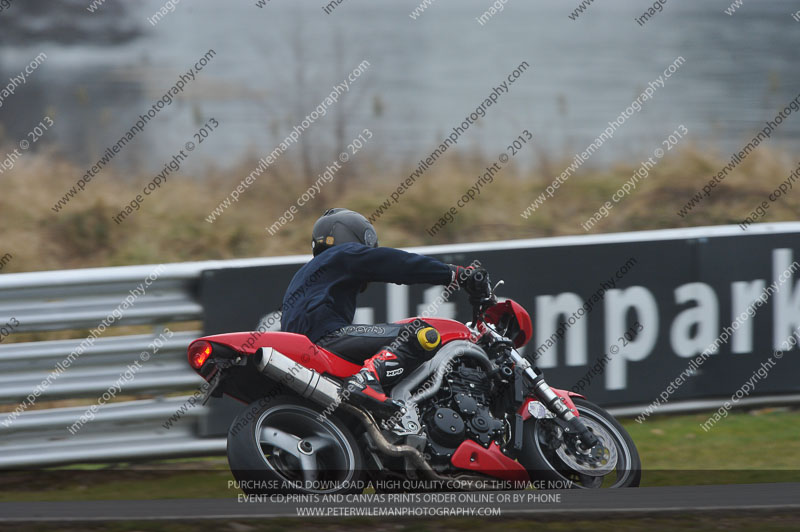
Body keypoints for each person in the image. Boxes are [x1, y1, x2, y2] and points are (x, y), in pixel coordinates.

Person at [280, 208, 491, 417]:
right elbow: (398, 264)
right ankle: (367, 381)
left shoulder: (306, 275)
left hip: (309, 355)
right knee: (420, 332)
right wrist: (455, 274)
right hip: (327, 339)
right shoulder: (342, 255)